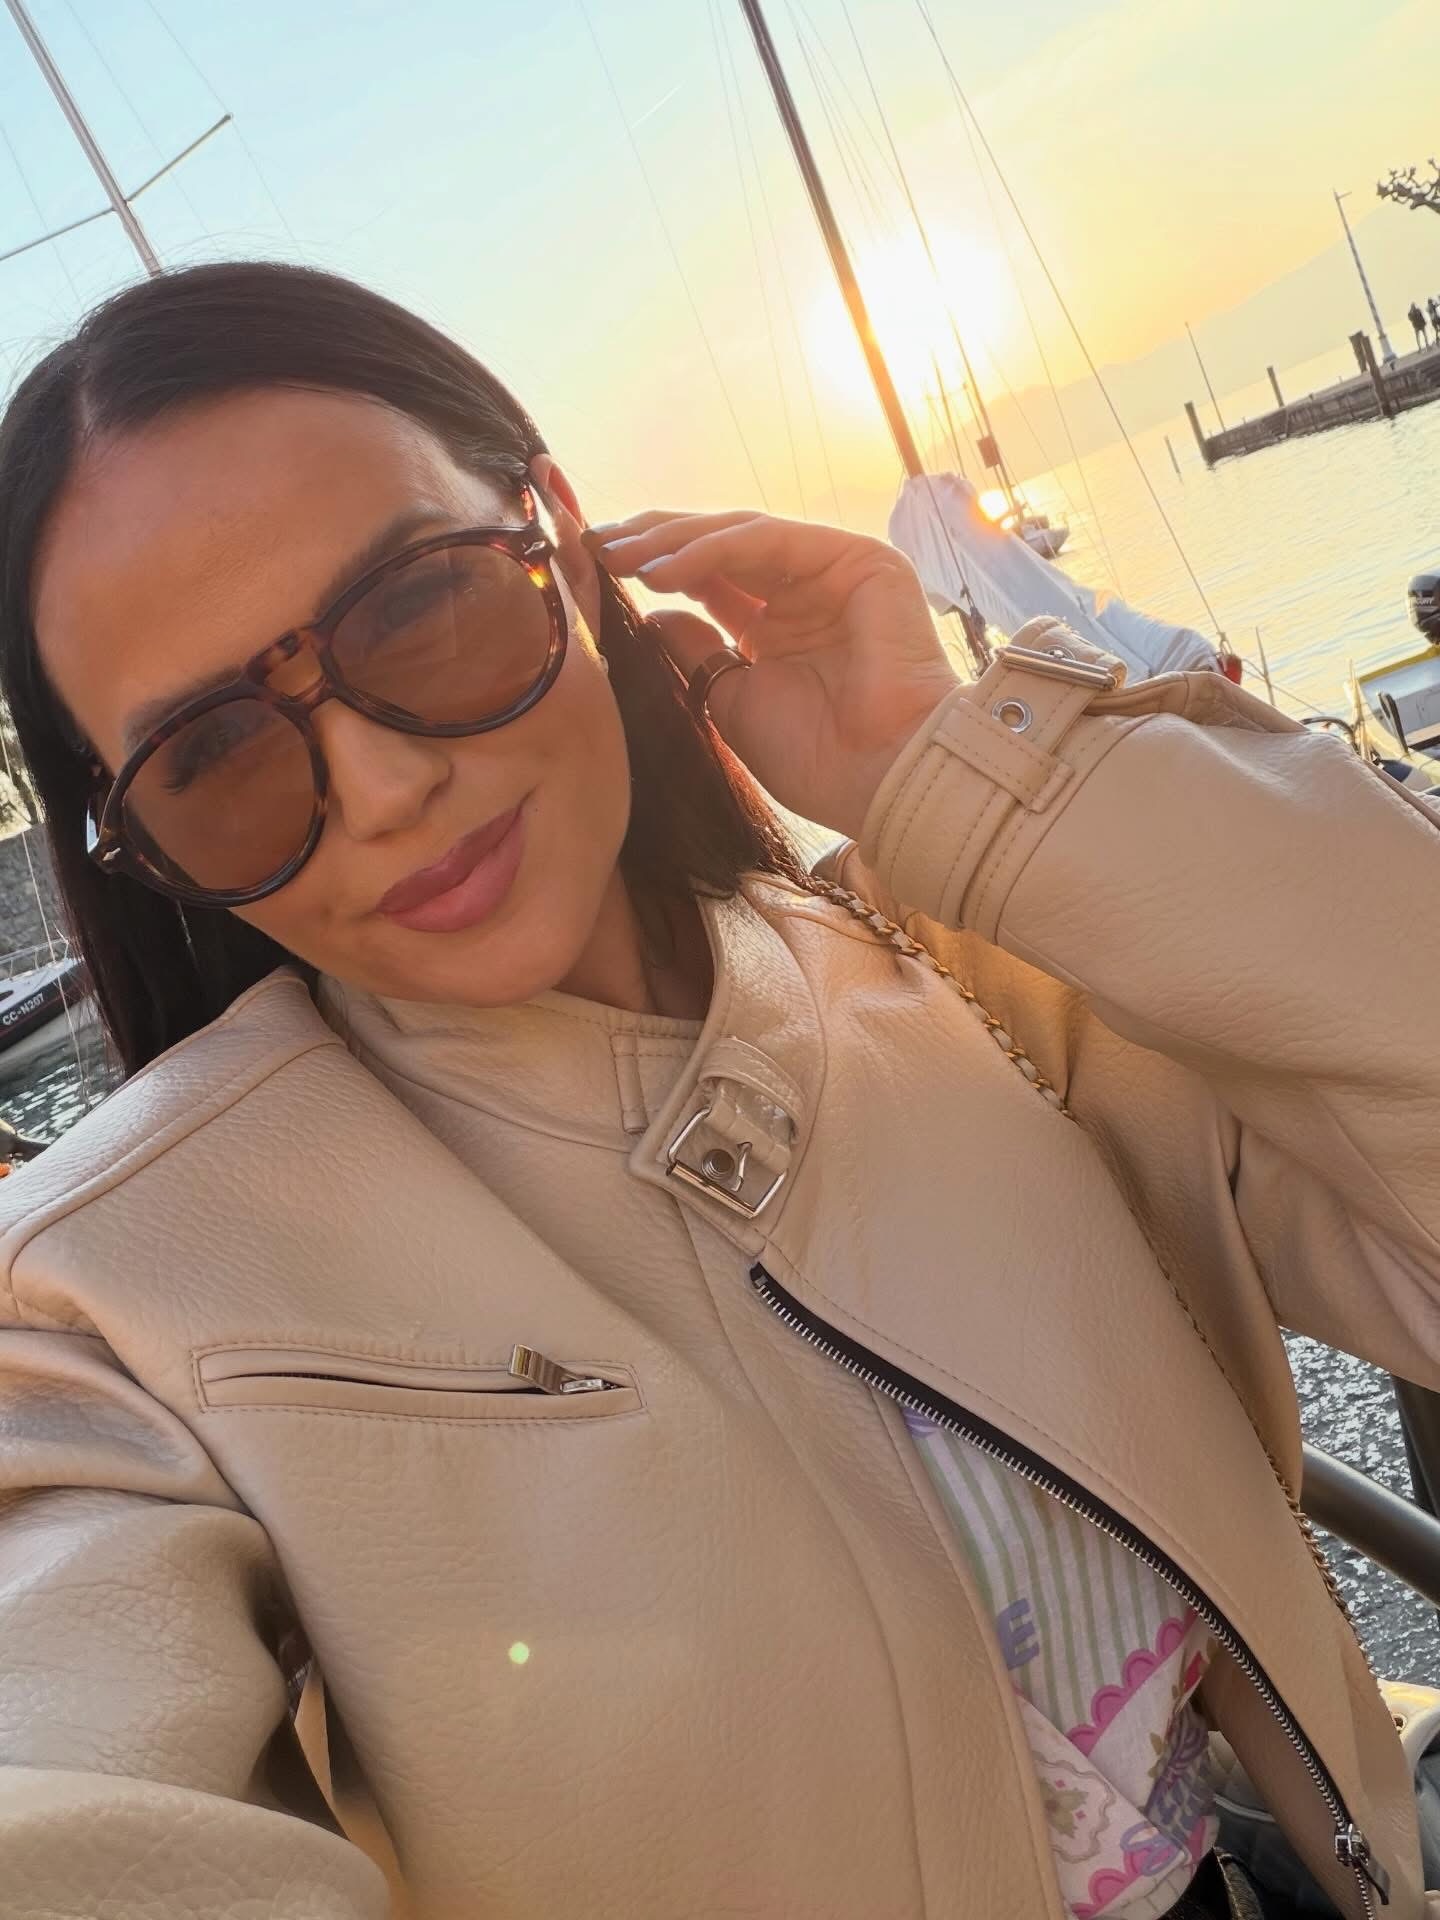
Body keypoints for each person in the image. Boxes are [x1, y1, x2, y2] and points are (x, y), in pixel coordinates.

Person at [0, 261, 1436, 1920]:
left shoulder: (976, 971)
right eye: (214, 755)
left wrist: (949, 769)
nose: (381, 787)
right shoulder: (110, 1302)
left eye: (415, 606)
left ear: (560, 532)